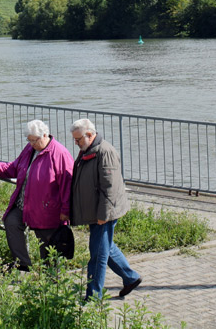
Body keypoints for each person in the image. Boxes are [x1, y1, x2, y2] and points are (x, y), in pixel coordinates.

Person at [70, 118, 141, 300]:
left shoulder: (104, 152)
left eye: (78, 139)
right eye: (75, 140)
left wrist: (104, 215)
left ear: (90, 134)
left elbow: (110, 187)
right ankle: (130, 277)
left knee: (97, 257)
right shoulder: (88, 149)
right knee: (105, 248)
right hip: (97, 212)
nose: (76, 143)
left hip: (104, 214)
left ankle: (93, 298)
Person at [0, 119, 73, 270]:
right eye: (29, 140)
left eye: (35, 140)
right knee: (11, 222)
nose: (32, 143)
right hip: (24, 203)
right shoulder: (29, 149)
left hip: (47, 208)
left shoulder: (60, 154)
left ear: (45, 135)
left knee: (47, 242)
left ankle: (51, 276)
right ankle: (23, 265)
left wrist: (66, 211)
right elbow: (15, 166)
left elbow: (68, 185)